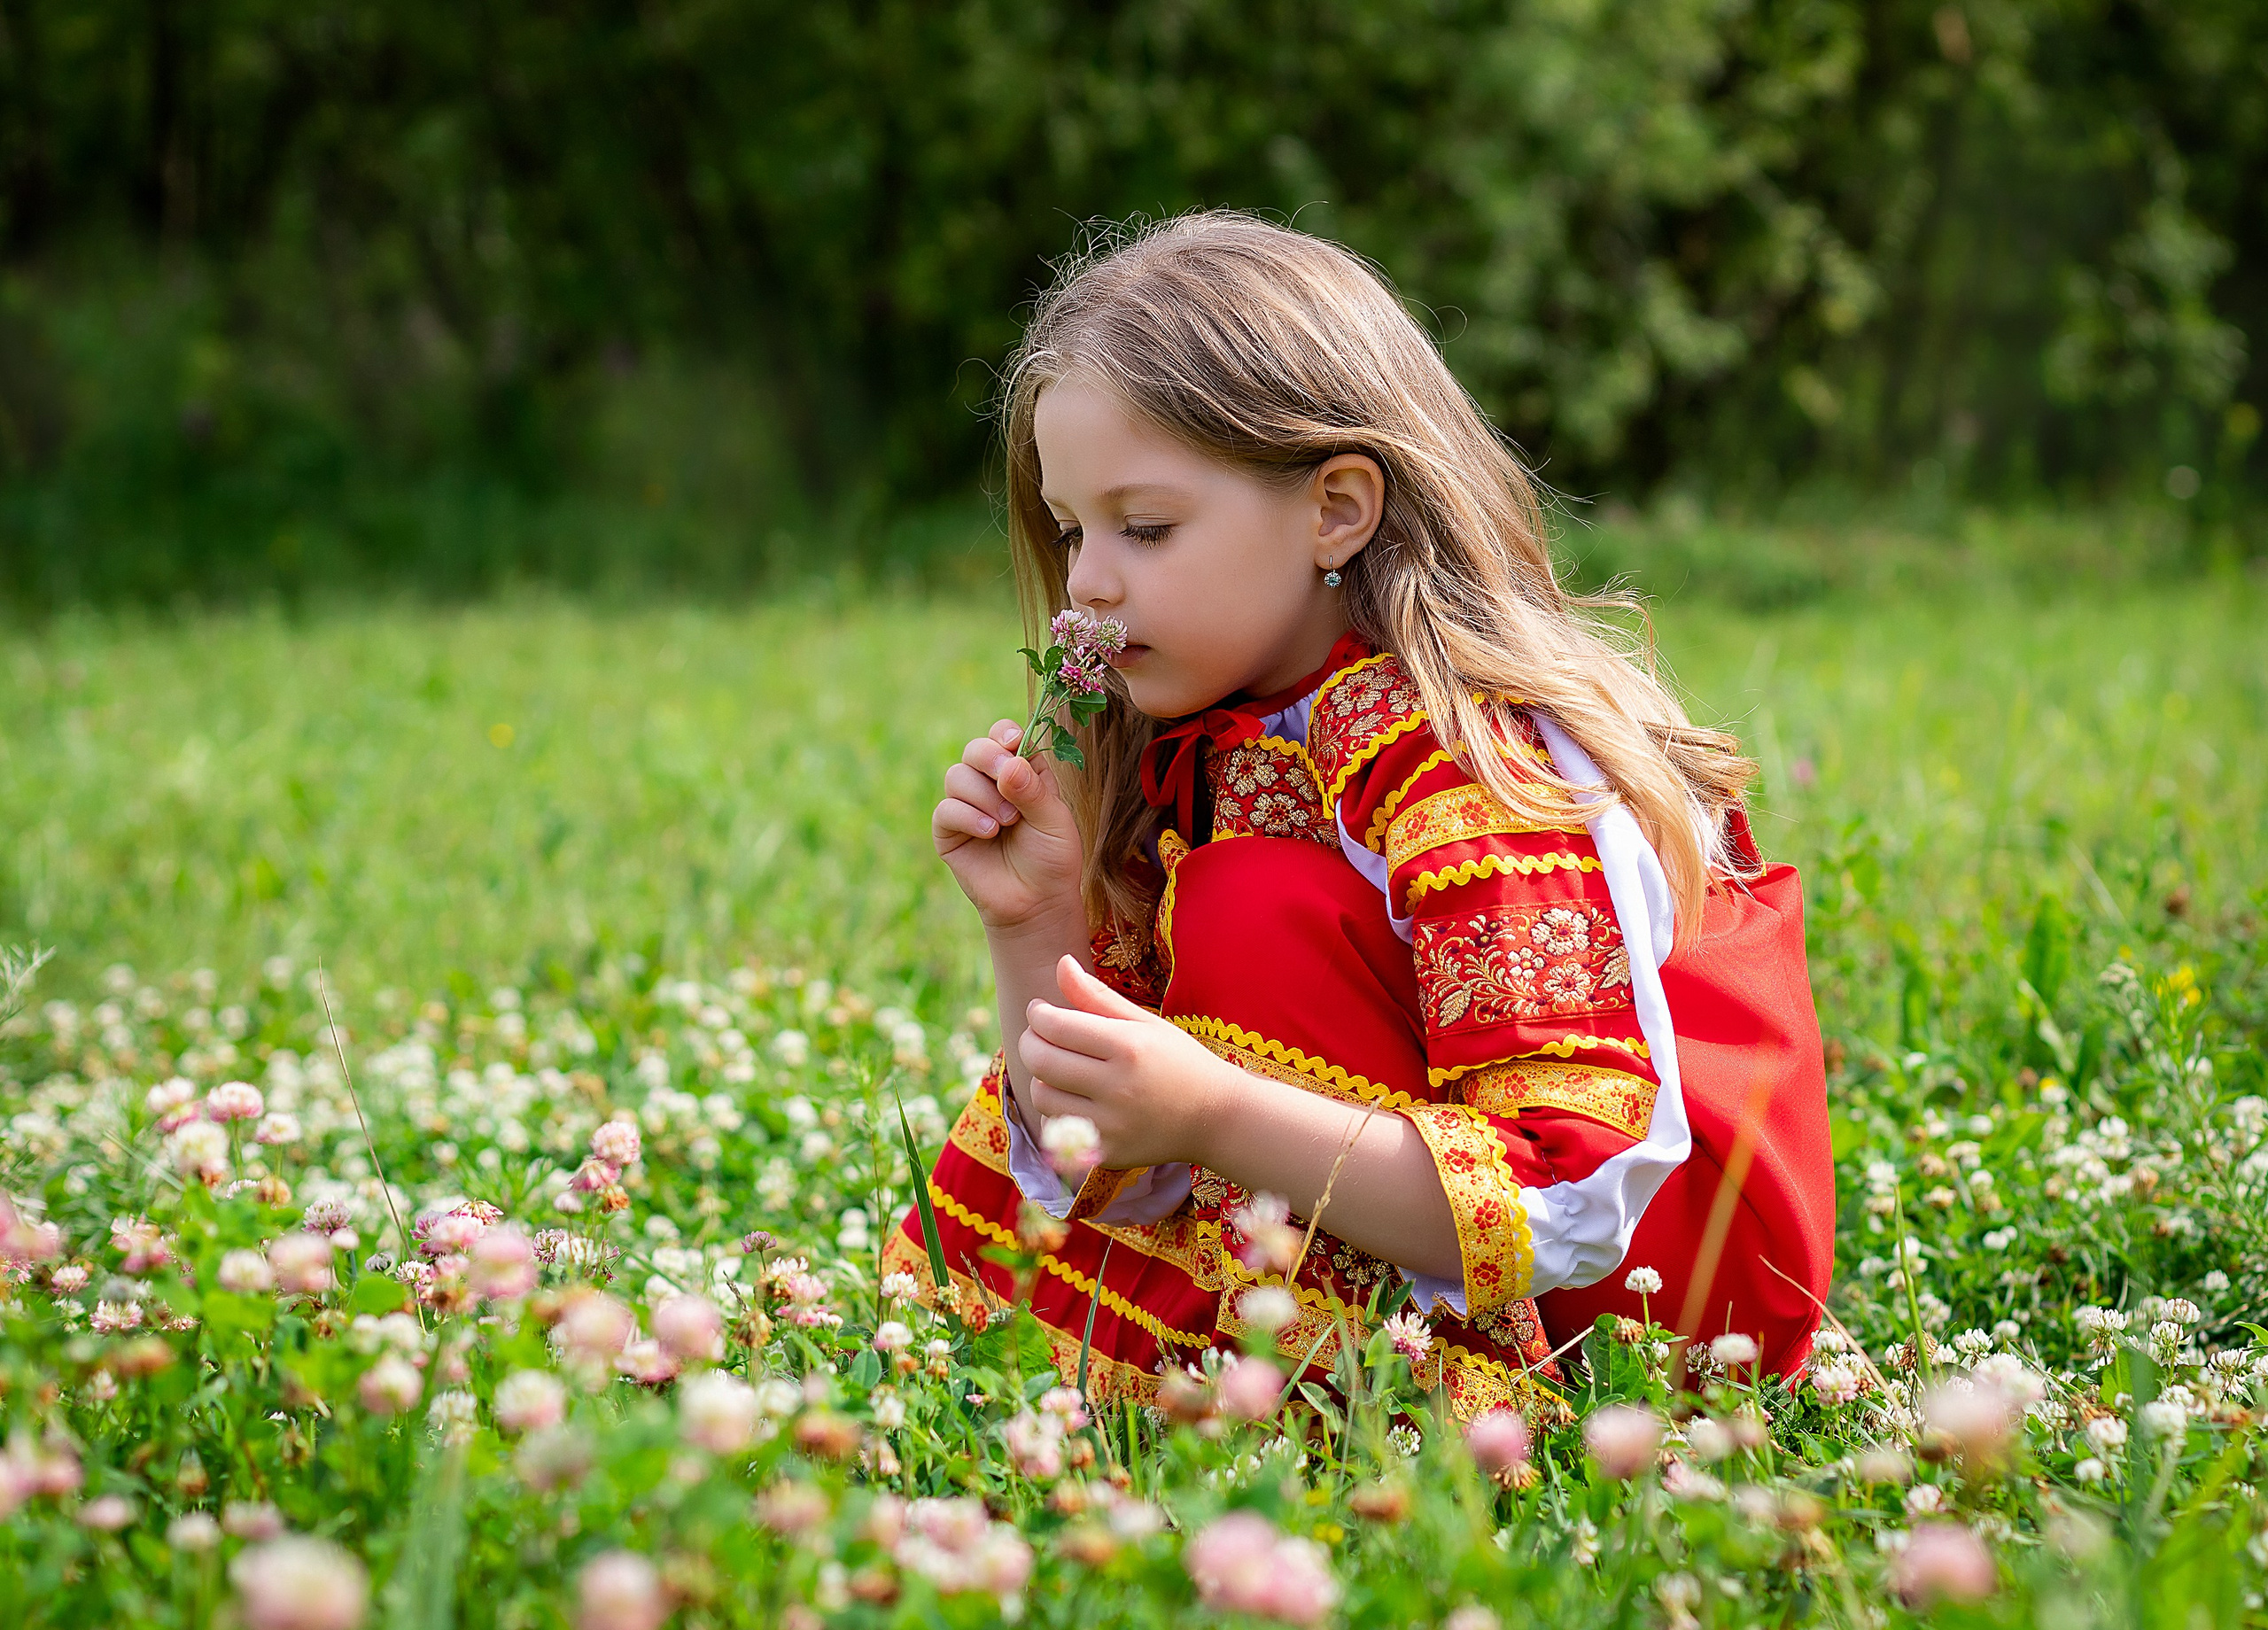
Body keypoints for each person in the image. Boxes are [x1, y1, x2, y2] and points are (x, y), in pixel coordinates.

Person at [884, 211, 1834, 1417]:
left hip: (1667, 1301)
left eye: (1146, 526)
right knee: (1239, 903)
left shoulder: (1474, 759)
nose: (1088, 585)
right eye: (1072, 529)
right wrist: (1033, 932)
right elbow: (1115, 1162)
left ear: (1335, 509)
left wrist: (1213, 1111)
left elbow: (1576, 1194)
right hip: (1459, 1213)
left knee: (1251, 904)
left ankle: (1409, 1386)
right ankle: (1308, 1361)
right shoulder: (1205, 737)